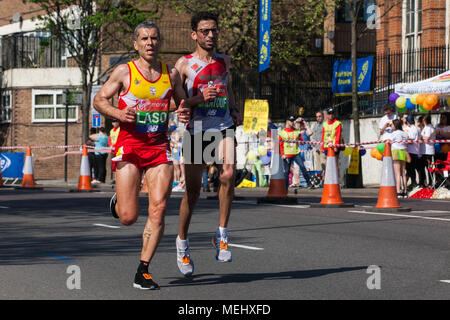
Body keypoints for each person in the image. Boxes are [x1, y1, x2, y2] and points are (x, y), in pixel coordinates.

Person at [92, 21, 192, 290]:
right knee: (128, 217)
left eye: (154, 38)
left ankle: (143, 269)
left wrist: (182, 110)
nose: (150, 43)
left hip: (158, 147)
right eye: (145, 39)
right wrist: (118, 113)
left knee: (158, 209)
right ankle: (117, 203)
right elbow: (99, 100)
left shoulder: (170, 73)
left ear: (160, 42)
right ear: (136, 44)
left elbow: (179, 100)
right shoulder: (124, 71)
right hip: (130, 145)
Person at [174, 11, 242, 277]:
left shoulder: (225, 61)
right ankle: (182, 242)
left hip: (223, 124)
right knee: (193, 192)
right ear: (194, 34)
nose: (211, 35)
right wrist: (198, 99)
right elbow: (178, 101)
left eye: (214, 30)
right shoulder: (184, 65)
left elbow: (229, 87)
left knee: (228, 173)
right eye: (205, 31)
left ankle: (222, 234)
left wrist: (234, 108)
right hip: (198, 128)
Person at [279, 115, 313, 191]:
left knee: (302, 167)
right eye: (290, 121)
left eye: (293, 121)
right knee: (287, 171)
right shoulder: (282, 132)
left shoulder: (297, 131)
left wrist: (300, 139)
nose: (292, 122)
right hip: (287, 155)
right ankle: (285, 189)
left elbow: (302, 143)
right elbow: (280, 145)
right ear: (287, 122)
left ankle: (309, 183)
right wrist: (282, 154)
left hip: (296, 153)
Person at [390, 119, 410, 198]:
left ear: (395, 125)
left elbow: (388, 142)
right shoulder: (405, 133)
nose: (391, 126)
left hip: (396, 152)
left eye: (392, 125)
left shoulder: (393, 133)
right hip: (404, 152)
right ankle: (405, 191)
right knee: (403, 173)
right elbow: (407, 144)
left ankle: (398, 192)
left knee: (397, 173)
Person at [402, 114, 421, 189]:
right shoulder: (414, 128)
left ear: (408, 122)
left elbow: (412, 140)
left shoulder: (413, 129)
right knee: (410, 168)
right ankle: (412, 182)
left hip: (412, 151)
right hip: (412, 151)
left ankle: (414, 183)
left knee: (411, 168)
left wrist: (405, 141)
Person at [420, 114, 436, 188]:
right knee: (423, 167)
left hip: (429, 151)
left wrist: (420, 137)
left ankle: (431, 183)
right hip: (424, 151)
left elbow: (427, 137)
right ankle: (425, 182)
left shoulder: (429, 127)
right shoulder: (425, 127)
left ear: (424, 120)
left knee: (429, 168)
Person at [312, 111, 326, 186]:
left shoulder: (325, 124)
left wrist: (323, 147)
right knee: (318, 167)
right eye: (317, 117)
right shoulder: (315, 125)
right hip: (317, 149)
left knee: (324, 165)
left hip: (323, 148)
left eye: (319, 116)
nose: (318, 118)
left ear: (323, 116)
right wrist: (314, 146)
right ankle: (320, 181)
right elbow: (313, 136)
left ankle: (324, 180)